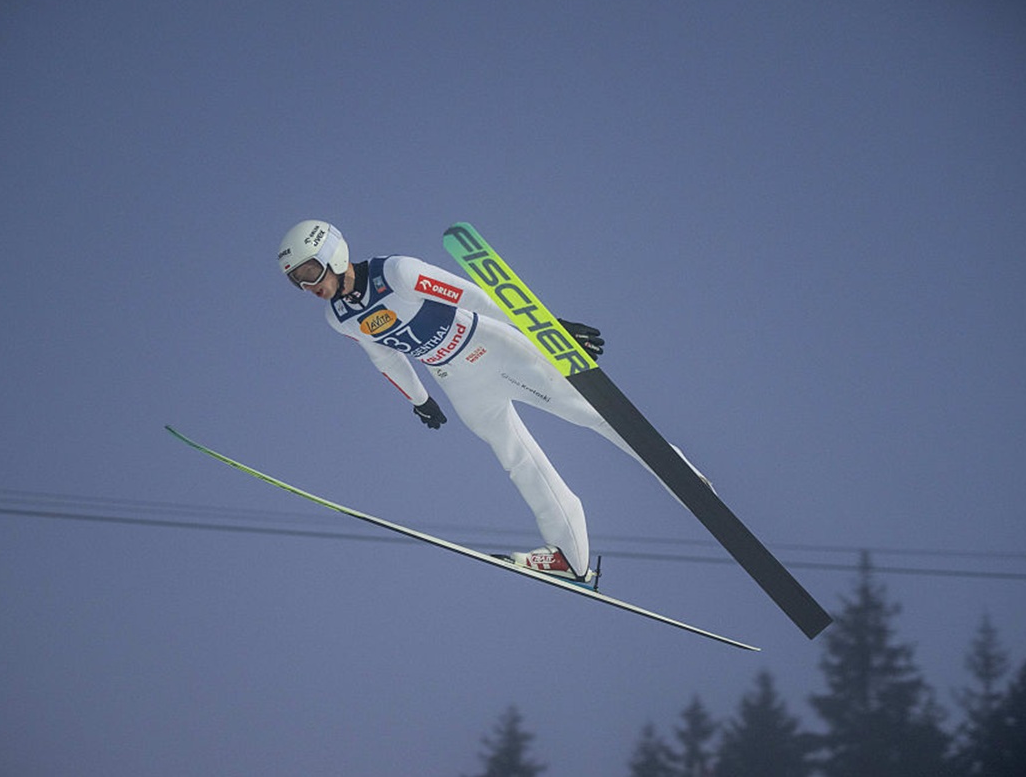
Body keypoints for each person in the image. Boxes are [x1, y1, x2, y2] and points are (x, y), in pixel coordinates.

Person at [277, 220, 709, 586]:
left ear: (334, 254)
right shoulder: (340, 318)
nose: (309, 285)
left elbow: (475, 296)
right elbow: (383, 357)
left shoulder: (398, 273)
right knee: (517, 459)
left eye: (311, 271)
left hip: (491, 347)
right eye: (298, 280)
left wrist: (546, 326)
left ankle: (680, 476)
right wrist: (420, 399)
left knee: (590, 413)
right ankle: (571, 557)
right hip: (455, 379)